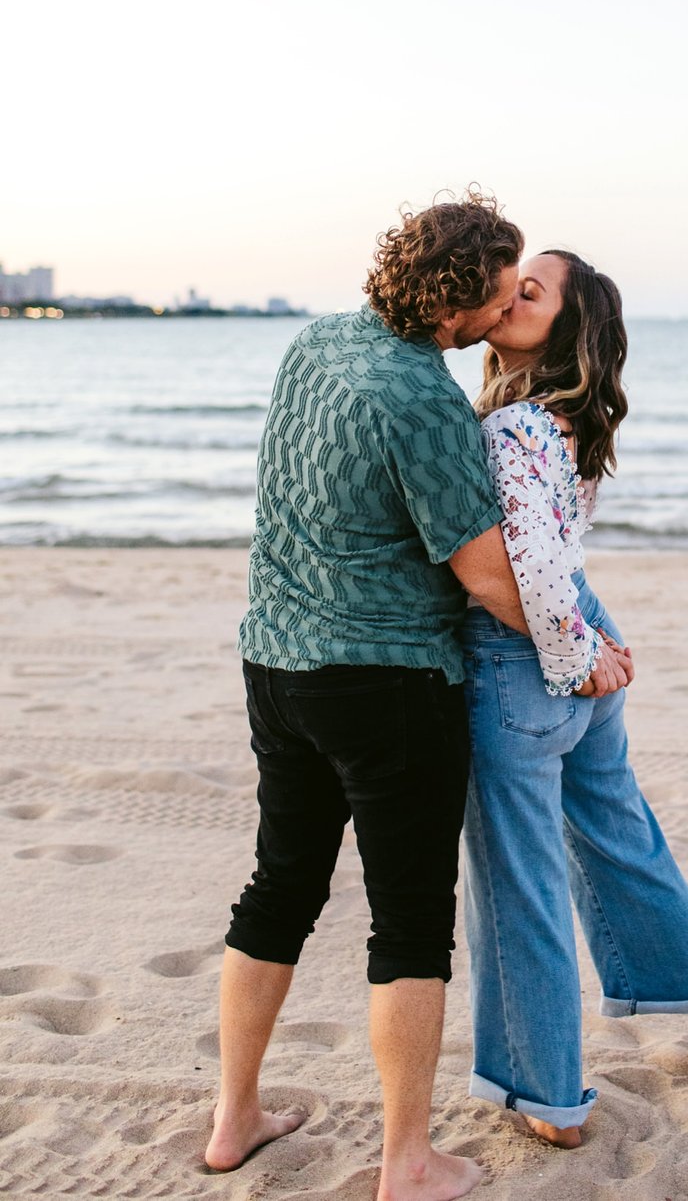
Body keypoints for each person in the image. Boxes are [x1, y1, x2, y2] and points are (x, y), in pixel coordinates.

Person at [204, 199, 629, 1201]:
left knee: (278, 887)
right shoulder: (427, 404)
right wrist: (583, 644)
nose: (508, 306)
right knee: (407, 923)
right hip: (389, 686)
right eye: (502, 290)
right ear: (460, 304)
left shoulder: (315, 343)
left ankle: (235, 1118)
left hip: (276, 663)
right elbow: (489, 580)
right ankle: (407, 1160)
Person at [461, 249, 688, 1149]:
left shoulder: (511, 431)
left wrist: (577, 652)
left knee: (522, 879)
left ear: (564, 332)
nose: (510, 294)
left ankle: (548, 1096)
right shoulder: (565, 423)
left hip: (531, 649)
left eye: (530, 291)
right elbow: (558, 553)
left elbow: (530, 569)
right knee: (618, 832)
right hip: (580, 624)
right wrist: (587, 641)